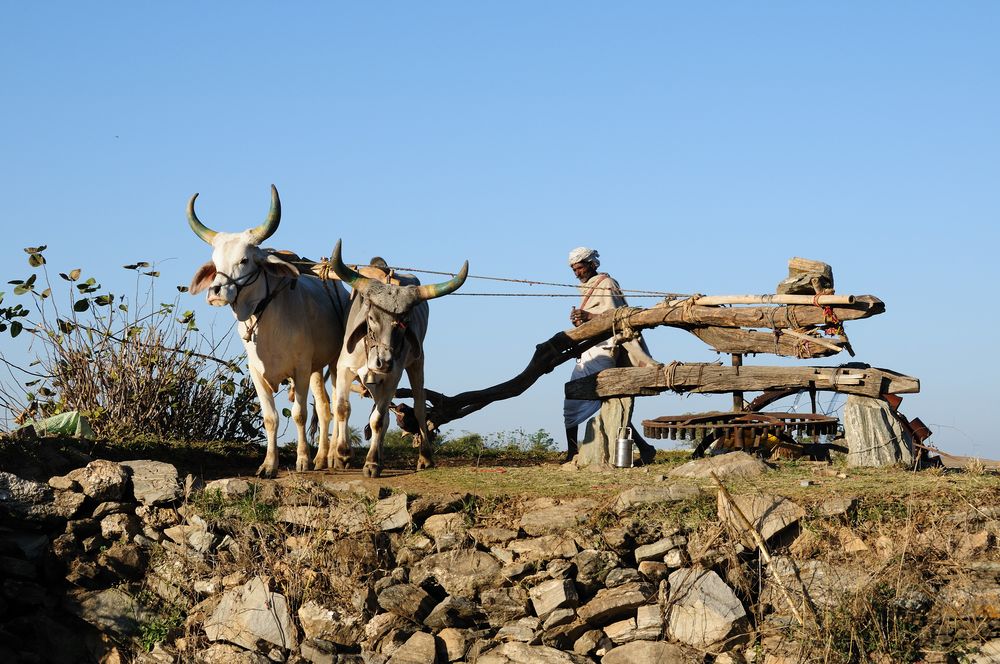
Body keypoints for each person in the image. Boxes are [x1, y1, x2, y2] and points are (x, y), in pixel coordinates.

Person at [563, 246, 658, 465]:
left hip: (606, 348)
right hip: (588, 348)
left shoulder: (607, 284)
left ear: (592, 264)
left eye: (580, 268)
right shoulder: (584, 288)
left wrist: (588, 315)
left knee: (604, 399)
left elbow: (619, 316)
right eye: (574, 270)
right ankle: (572, 451)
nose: (577, 273)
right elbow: (595, 319)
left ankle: (639, 449)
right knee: (575, 398)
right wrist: (581, 320)